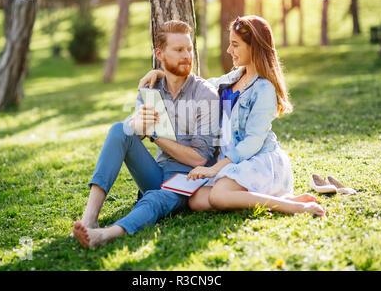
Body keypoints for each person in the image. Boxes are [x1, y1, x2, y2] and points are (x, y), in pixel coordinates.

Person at [138, 15, 325, 217]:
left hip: (256, 160)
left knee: (219, 196)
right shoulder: (232, 78)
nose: (229, 51)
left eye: (235, 45)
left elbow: (252, 143)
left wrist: (215, 169)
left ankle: (296, 207)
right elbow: (197, 85)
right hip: (230, 163)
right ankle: (277, 200)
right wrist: (160, 74)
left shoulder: (264, 89)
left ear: (253, 47)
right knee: (196, 201)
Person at [72, 20, 220, 248]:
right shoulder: (152, 88)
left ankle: (105, 235)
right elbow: (129, 134)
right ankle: (90, 217)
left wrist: (155, 136)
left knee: (155, 199)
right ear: (160, 53)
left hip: (189, 180)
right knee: (119, 130)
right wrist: (136, 124)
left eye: (189, 49)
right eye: (179, 50)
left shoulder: (205, 94)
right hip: (156, 173)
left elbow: (200, 159)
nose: (187, 55)